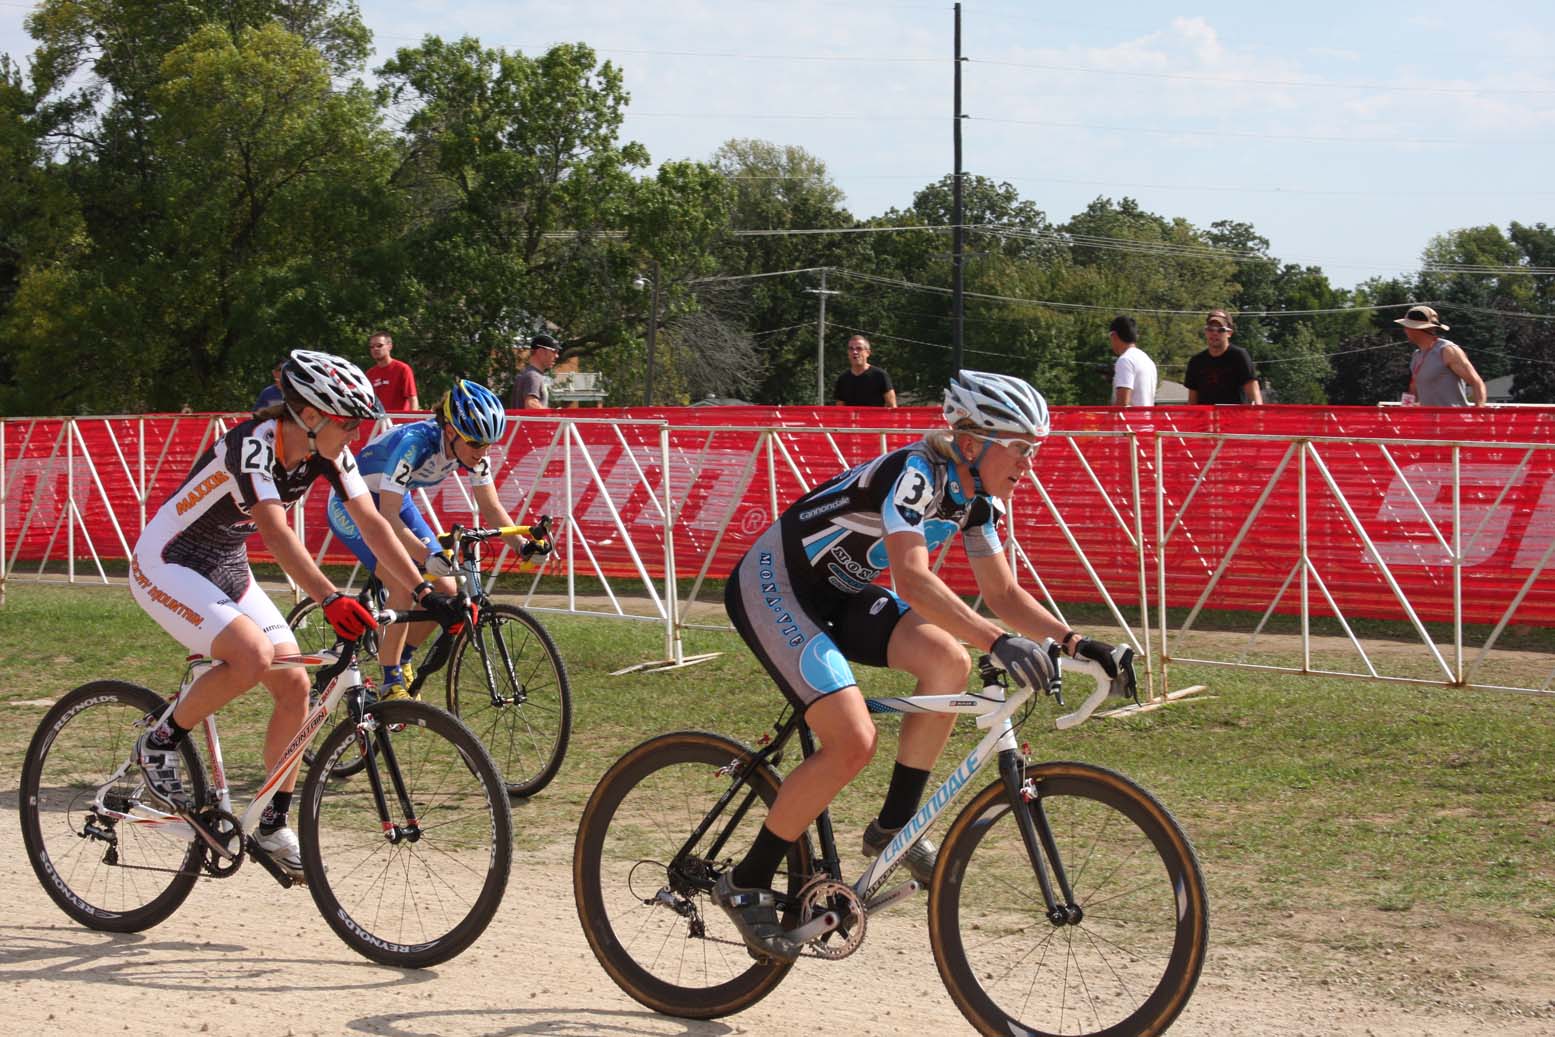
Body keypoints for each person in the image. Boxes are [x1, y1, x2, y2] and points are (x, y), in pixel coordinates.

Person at [716, 369, 1122, 962]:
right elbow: (912, 578)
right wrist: (998, 642)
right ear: (972, 440)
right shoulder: (915, 473)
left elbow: (1003, 594)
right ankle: (746, 880)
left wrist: (1077, 643)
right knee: (853, 741)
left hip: (842, 592)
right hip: (778, 585)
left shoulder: (979, 502)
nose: (1028, 464)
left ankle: (895, 828)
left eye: (1033, 450)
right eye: (1020, 447)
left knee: (946, 662)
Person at [129, 350, 466, 882]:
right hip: (166, 561)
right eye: (347, 423)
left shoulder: (330, 452)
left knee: (295, 686)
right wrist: (331, 596)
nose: (355, 434)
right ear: (310, 417)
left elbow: (375, 524)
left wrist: (424, 591)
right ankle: (160, 740)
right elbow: (275, 533)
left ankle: (271, 823)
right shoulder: (252, 447)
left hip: (224, 565)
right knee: (251, 655)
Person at [326, 379, 548, 700]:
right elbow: (385, 516)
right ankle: (389, 683)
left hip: (395, 502)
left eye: (488, 445)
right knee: (405, 582)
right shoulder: (415, 443)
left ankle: (401, 659)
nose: (482, 452)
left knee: (446, 588)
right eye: (475, 444)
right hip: (352, 506)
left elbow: (490, 506)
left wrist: (523, 545)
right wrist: (425, 556)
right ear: (450, 431)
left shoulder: (470, 449)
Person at [1398, 305, 1487, 406]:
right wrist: (1405, 412)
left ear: (1416, 329)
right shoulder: (1416, 355)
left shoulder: (1448, 350)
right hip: (1429, 420)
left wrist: (1479, 413)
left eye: (1407, 326)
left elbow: (1476, 382)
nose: (1405, 330)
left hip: (1454, 420)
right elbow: (1414, 390)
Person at [1184, 310, 1262, 405]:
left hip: (1234, 417)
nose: (1214, 333)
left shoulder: (1239, 356)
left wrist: (1258, 417)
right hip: (1206, 418)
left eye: (1220, 330)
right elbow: (1192, 401)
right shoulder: (1196, 361)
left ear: (1229, 333)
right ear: (1205, 332)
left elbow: (1254, 393)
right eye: (1210, 329)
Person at [832, 335, 897, 407]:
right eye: (851, 349)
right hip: (851, 418)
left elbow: (892, 407)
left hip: (875, 418)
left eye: (859, 348)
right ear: (848, 353)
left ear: (868, 353)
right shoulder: (843, 379)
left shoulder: (880, 375)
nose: (855, 352)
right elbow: (840, 410)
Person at [1108, 315, 1157, 406]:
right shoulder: (1148, 360)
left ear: (1114, 335)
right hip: (1147, 418)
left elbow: (1123, 404)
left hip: (1130, 419)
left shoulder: (1125, 360)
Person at [367, 331, 419, 413]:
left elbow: (413, 399)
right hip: (377, 422)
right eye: (371, 347)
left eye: (379, 345)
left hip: (399, 422)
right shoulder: (370, 374)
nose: (375, 349)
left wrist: (412, 422)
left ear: (390, 346)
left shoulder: (403, 369)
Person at [510, 333, 559, 409]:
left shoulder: (527, 373)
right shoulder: (533, 376)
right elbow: (531, 404)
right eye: (554, 351)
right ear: (541, 351)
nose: (556, 356)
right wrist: (554, 416)